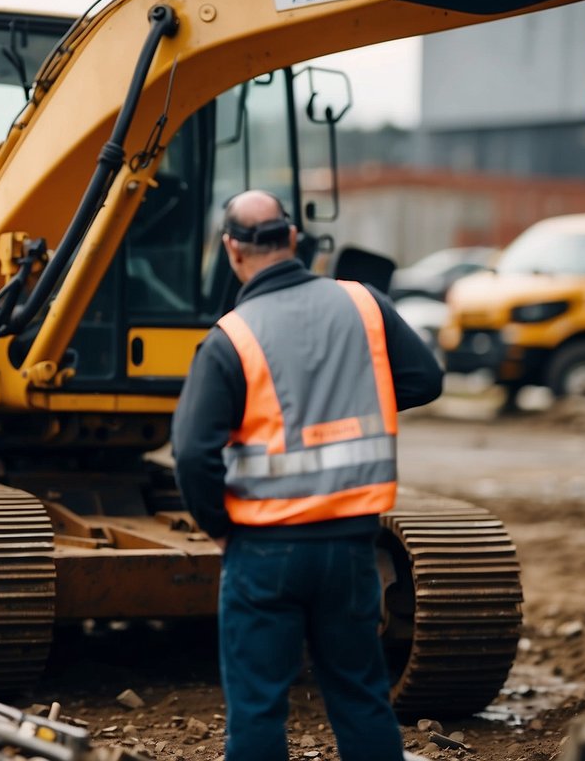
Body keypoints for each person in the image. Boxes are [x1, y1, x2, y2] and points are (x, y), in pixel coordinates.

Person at [171, 190, 443, 761]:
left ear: (231, 250)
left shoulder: (232, 337)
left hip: (263, 551)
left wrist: (222, 528)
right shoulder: (363, 304)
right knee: (361, 695)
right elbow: (425, 378)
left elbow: (193, 453)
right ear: (293, 239)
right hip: (350, 547)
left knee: (257, 707)